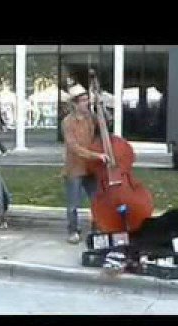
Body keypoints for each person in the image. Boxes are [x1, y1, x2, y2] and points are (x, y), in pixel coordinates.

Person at [61, 84, 109, 244]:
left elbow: (106, 122)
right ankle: (73, 231)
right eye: (83, 101)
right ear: (74, 104)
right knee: (73, 203)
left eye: (87, 100)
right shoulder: (67, 122)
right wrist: (97, 155)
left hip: (91, 167)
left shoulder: (90, 117)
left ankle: (97, 228)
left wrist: (101, 105)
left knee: (97, 198)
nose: (86, 103)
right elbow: (74, 147)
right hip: (75, 167)